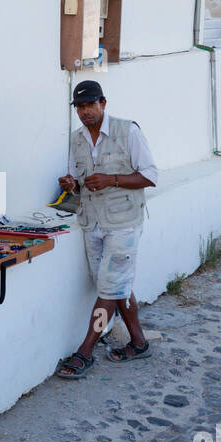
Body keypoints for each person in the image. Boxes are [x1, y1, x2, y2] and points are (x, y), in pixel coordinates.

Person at [54, 79, 158, 379]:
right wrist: (71, 183)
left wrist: (112, 180)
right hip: (92, 221)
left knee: (110, 288)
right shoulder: (76, 139)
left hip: (124, 223)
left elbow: (150, 175)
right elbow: (77, 177)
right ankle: (138, 343)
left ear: (103, 103)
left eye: (90, 105)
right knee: (114, 286)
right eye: (80, 107)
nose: (86, 111)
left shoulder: (128, 131)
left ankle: (85, 351)